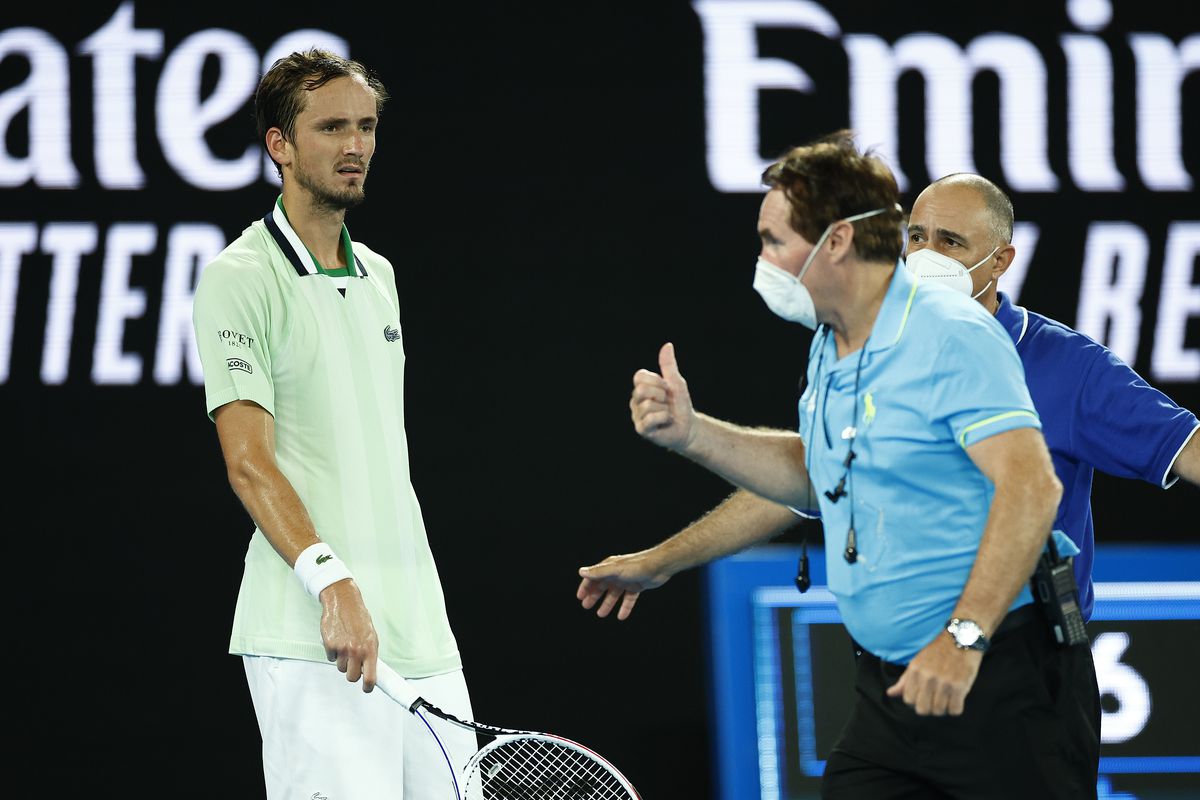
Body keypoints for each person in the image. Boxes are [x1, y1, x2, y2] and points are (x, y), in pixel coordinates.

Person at [579, 130, 1099, 797]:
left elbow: (1032, 486)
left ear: (837, 243)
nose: (763, 259)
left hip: (999, 681)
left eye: (774, 241)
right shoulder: (835, 339)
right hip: (891, 693)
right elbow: (815, 473)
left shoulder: (948, 333)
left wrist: (964, 639)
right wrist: (691, 435)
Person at [576, 173, 1199, 625]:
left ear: (1000, 260)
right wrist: (663, 560)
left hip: (1020, 675)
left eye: (950, 242)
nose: (925, 255)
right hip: (894, 665)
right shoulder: (865, 349)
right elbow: (810, 482)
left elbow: (1188, 451)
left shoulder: (1068, 369)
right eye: (917, 236)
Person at [191, 49, 473, 799]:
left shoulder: (379, 276)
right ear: (279, 144)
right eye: (331, 128)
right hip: (315, 631)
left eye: (367, 127)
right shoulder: (238, 279)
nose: (355, 146)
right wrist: (331, 581)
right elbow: (249, 462)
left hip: (420, 629)